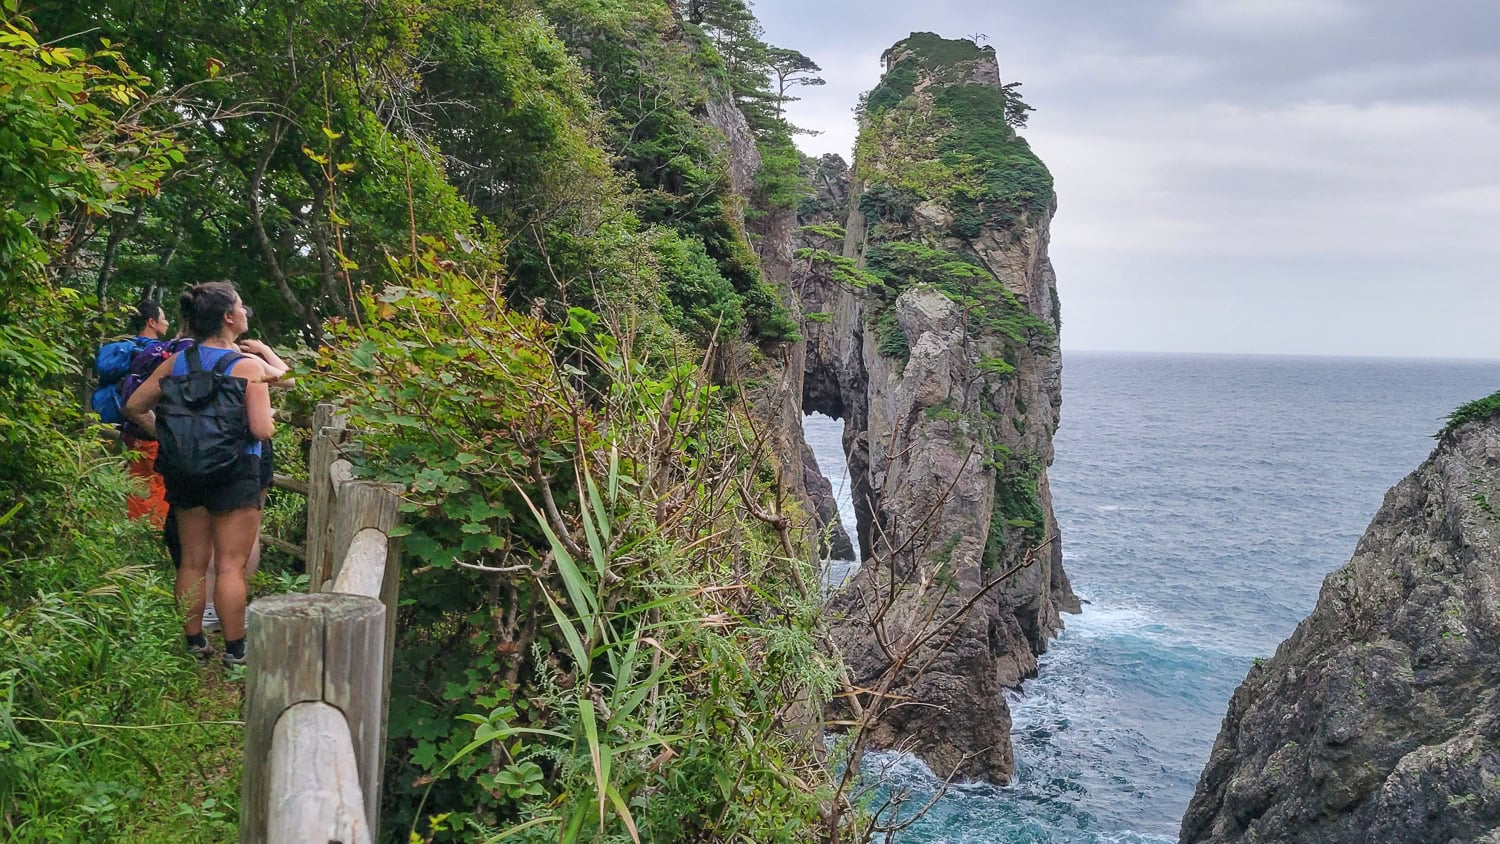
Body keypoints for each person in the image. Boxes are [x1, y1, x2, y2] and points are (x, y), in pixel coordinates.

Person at [124, 282, 274, 666]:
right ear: (227, 317)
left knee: (191, 561)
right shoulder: (248, 367)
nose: (245, 312)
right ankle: (236, 651)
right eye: (241, 307)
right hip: (235, 473)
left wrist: (172, 438)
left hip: (185, 473)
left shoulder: (178, 361)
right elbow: (261, 430)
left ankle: (194, 643)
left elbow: (135, 406)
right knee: (229, 565)